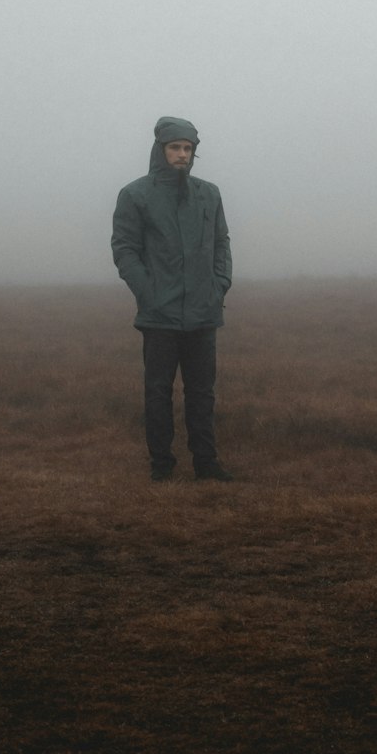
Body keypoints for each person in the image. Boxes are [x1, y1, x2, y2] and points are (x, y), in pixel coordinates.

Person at [112, 116, 234, 482]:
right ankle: (162, 466)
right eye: (175, 147)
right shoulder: (135, 195)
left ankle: (206, 464)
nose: (182, 155)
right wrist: (148, 293)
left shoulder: (208, 193)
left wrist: (220, 283)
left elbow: (222, 242)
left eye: (188, 148)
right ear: (160, 150)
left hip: (203, 310)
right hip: (159, 314)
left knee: (202, 392)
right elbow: (125, 249)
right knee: (157, 392)